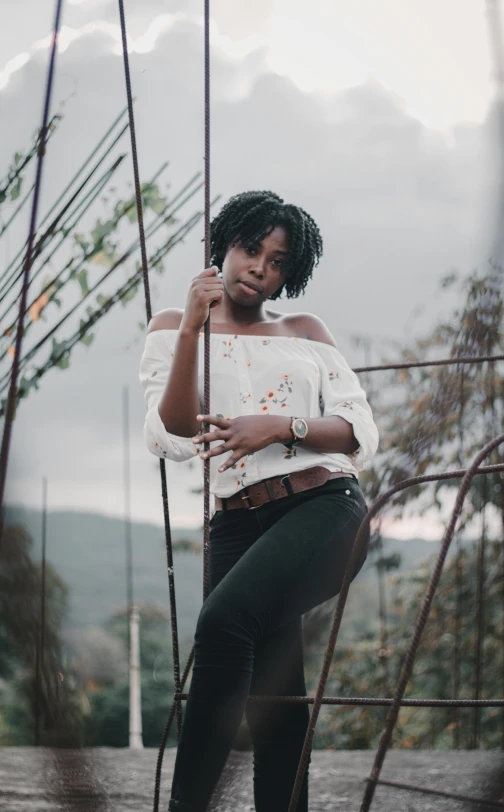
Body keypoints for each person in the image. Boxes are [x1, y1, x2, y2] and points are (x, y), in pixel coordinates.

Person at [139, 190, 379, 812]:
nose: (259, 268)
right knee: (274, 695)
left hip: (323, 506)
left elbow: (358, 430)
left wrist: (278, 426)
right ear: (224, 244)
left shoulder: (306, 333)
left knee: (221, 625)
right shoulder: (172, 326)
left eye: (277, 261)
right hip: (238, 525)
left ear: (288, 274)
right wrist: (194, 323)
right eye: (251, 249)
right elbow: (173, 431)